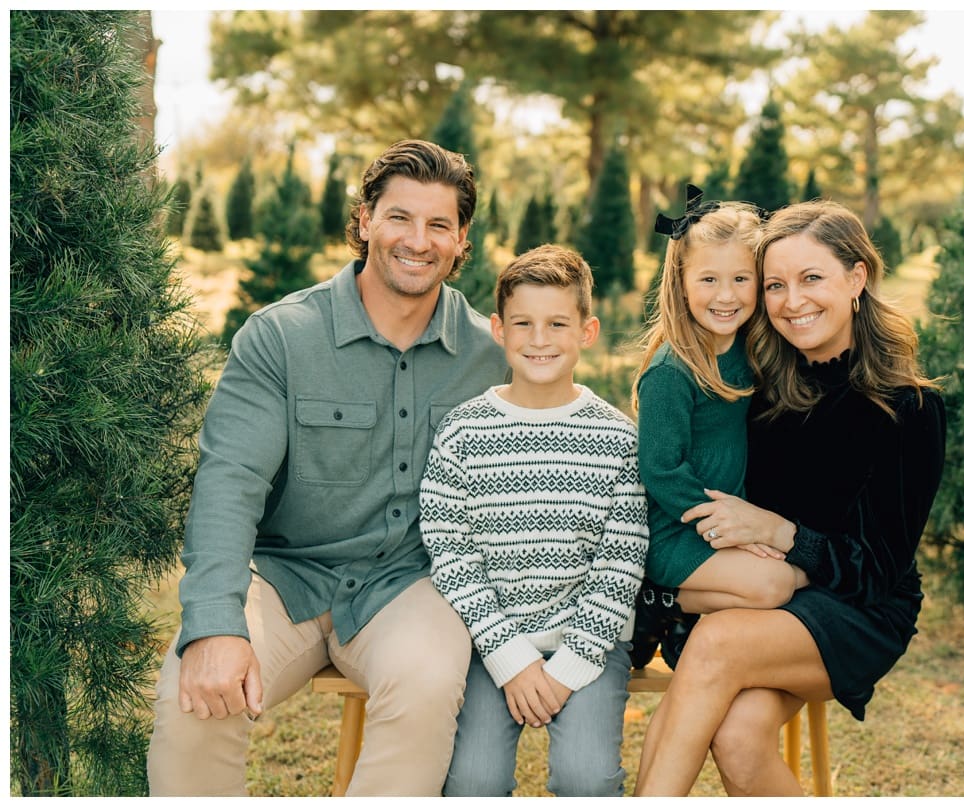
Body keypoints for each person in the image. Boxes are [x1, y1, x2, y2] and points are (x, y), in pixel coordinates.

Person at [146, 139, 508, 796]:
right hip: (286, 576)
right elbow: (230, 485)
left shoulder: (493, 355)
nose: (417, 240)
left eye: (439, 225)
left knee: (427, 682)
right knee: (191, 690)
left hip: (411, 583)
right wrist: (216, 623)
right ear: (365, 219)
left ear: (462, 242)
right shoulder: (281, 337)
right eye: (399, 217)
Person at [635, 200, 946, 796]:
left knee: (717, 643)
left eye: (812, 278)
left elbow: (880, 569)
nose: (791, 300)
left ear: (856, 278)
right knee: (736, 734)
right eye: (775, 284)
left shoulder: (910, 409)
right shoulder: (761, 382)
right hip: (761, 593)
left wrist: (779, 534)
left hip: (858, 607)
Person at [420, 244, 648, 797]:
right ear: (499, 329)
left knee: (586, 777)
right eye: (523, 323)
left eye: (557, 324)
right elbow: (451, 556)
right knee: (472, 779)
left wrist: (568, 666)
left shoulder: (617, 438)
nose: (539, 339)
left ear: (587, 331)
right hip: (491, 641)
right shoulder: (462, 432)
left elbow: (621, 563)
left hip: (590, 643)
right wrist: (510, 658)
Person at [630, 185, 805, 670]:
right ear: (681, 282)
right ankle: (660, 603)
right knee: (777, 584)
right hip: (681, 529)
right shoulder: (672, 371)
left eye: (740, 279)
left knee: (803, 573)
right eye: (708, 279)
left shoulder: (749, 353)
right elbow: (661, 470)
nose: (725, 296)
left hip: (731, 521)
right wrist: (727, 530)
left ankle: (689, 623)